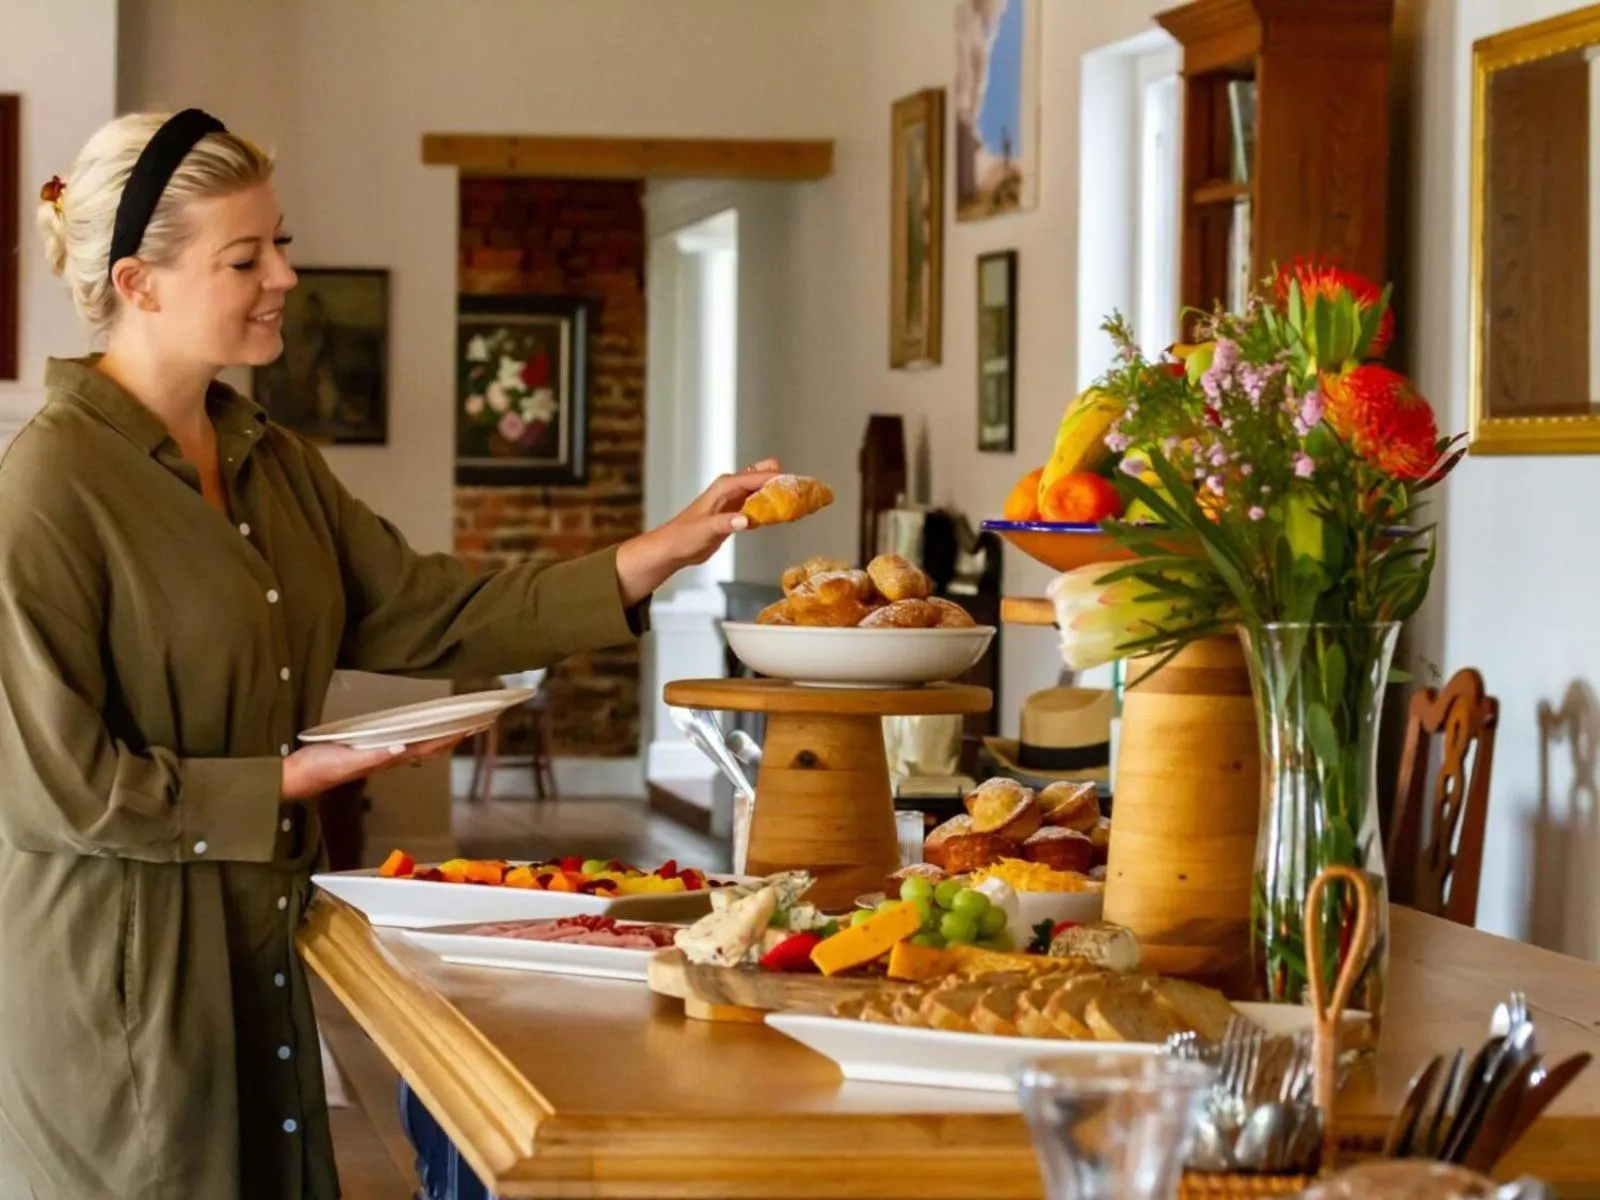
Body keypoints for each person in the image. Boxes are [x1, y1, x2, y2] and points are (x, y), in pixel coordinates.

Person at [0, 109, 780, 1200]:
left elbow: (429, 612)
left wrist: (663, 549)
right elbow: (51, 790)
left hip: (260, 924)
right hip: (124, 968)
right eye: (246, 256)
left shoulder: (269, 461)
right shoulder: (44, 489)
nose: (284, 273)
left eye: (281, 242)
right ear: (140, 284)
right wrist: (282, 780)